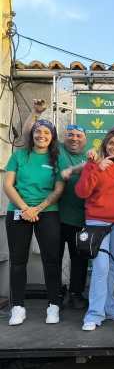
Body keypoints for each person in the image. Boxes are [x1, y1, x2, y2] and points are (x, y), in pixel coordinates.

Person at [4, 119, 64, 326]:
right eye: (38, 132)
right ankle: (18, 307)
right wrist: (25, 208)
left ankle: (53, 305)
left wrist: (37, 209)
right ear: (32, 135)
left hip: (47, 212)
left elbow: (58, 189)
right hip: (18, 210)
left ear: (52, 137)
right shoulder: (19, 155)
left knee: (52, 260)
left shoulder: (57, 158)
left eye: (47, 132)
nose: (42, 136)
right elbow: (8, 185)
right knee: (18, 261)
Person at [75, 128, 114, 331]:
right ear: (105, 144)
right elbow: (82, 192)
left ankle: (110, 308)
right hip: (97, 222)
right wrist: (96, 168)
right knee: (101, 268)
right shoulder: (94, 163)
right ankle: (93, 315)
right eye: (111, 143)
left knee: (113, 267)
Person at [58, 124, 88, 309]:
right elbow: (28, 136)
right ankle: (56, 294)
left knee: (79, 260)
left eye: (79, 135)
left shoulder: (90, 157)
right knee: (54, 258)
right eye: (70, 135)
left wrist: (73, 169)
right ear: (64, 137)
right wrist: (35, 114)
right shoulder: (57, 149)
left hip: (81, 219)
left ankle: (76, 293)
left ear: (85, 140)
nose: (74, 138)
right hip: (55, 217)